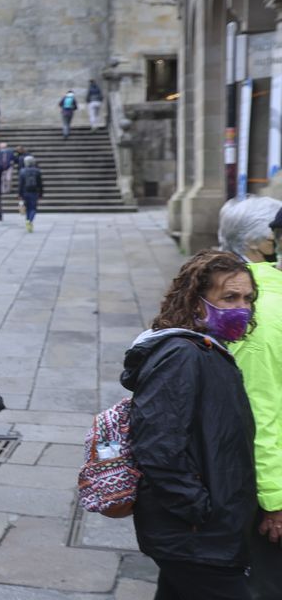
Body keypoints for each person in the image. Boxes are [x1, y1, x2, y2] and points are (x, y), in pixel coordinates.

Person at [123, 250, 257, 600]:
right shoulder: (182, 355)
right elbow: (156, 444)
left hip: (204, 532)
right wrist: (198, 511)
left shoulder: (210, 350)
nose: (241, 307)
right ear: (196, 302)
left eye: (247, 298)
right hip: (196, 536)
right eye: (229, 298)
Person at [218, 199, 282, 598]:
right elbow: (260, 408)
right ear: (265, 243)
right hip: (258, 479)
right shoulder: (257, 304)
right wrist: (274, 498)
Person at [18, 155, 44, 232]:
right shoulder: (37, 171)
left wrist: (19, 194)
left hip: (25, 191)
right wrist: (41, 193)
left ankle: (27, 221)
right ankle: (30, 221)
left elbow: (21, 184)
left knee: (27, 208)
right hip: (34, 192)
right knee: (33, 208)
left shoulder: (22, 171)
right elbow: (40, 183)